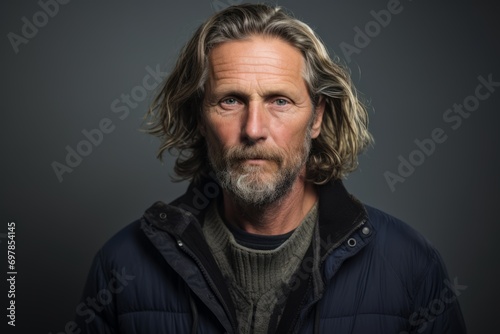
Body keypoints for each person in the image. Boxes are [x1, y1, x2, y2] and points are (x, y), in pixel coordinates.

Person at [75, 4, 466, 333]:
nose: (254, 129)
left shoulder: (409, 263)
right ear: (199, 118)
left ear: (316, 118)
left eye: (280, 101)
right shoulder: (123, 264)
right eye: (230, 101)